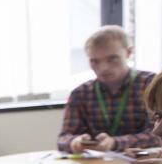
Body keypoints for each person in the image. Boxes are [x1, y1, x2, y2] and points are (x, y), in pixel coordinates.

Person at [57, 25, 156, 153]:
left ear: (128, 53)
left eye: (112, 59)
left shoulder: (152, 85)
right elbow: (64, 138)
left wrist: (115, 143)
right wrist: (74, 142)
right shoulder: (80, 93)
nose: (104, 68)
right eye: (94, 61)